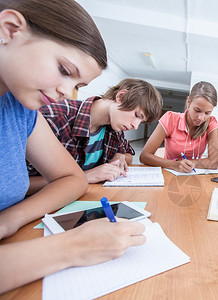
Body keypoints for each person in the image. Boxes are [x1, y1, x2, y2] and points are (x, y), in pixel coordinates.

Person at [0, 0, 145, 293]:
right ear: (9, 29)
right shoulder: (45, 110)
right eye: (65, 70)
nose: (67, 93)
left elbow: (73, 178)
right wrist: (72, 247)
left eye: (78, 85)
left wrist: (9, 220)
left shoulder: (20, 109)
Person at [27, 78, 162, 188]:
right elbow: (18, 185)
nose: (136, 126)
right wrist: (85, 176)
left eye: (141, 122)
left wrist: (121, 156)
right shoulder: (55, 118)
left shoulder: (114, 128)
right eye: (137, 115)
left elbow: (128, 154)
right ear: (121, 96)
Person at [140, 81, 218, 172]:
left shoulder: (211, 123)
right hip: (169, 173)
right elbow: (144, 156)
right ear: (189, 102)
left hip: (194, 176)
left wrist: (184, 164)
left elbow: (213, 163)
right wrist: (175, 165)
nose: (201, 118)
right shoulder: (170, 119)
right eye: (197, 110)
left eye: (207, 113)